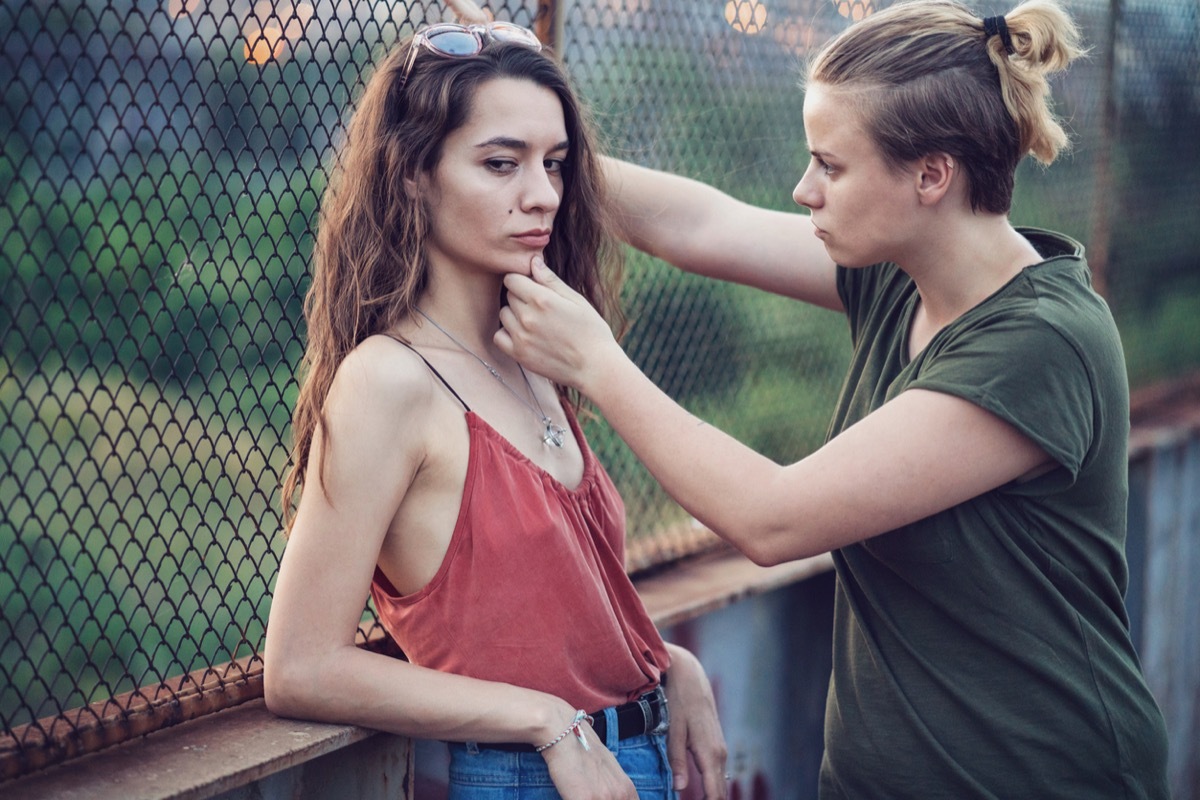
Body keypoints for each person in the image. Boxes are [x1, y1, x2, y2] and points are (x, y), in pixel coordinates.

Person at [495, 0, 1171, 796]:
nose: (804, 188)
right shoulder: (906, 274)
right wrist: (543, 144)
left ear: (930, 175)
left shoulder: (1038, 343)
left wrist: (596, 363)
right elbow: (701, 225)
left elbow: (773, 518)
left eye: (832, 165)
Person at [262, 20, 727, 800]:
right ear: (412, 174)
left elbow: (544, 610)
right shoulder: (390, 381)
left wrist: (669, 664)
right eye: (501, 164)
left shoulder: (533, 348)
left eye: (555, 164)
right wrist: (546, 720)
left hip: (624, 755)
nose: (542, 194)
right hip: (526, 773)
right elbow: (301, 667)